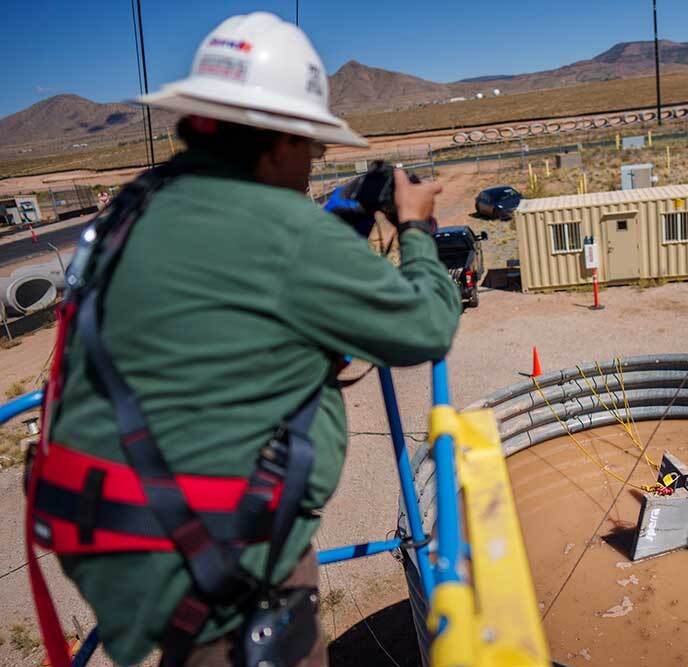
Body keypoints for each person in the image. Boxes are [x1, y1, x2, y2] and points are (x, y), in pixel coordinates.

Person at [32, 12, 461, 667]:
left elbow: (231, 307)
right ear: (278, 141)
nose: (311, 168)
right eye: (312, 149)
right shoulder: (283, 231)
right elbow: (428, 324)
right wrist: (417, 229)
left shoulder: (136, 205)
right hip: (219, 570)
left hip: (112, 532)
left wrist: (336, 226)